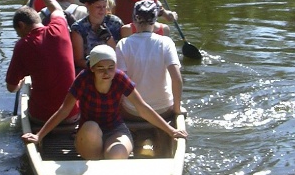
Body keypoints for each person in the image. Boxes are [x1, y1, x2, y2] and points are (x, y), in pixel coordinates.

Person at [21, 45, 187, 161]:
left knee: (116, 157)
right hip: (89, 132)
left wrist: (171, 131)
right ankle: (95, 164)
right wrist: (38, 136)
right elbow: (64, 111)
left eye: (111, 67)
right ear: (92, 68)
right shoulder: (83, 79)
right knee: (92, 127)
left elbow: (142, 108)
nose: (107, 73)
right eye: (101, 68)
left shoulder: (120, 78)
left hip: (115, 129)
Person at [6, 0, 78, 124]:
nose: (19, 35)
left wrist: (21, 83)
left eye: (18, 31)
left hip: (41, 118)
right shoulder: (59, 28)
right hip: (72, 115)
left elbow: (11, 87)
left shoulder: (22, 45)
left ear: (21, 25)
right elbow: (57, 9)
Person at [116, 0, 183, 119]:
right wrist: (177, 109)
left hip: (133, 110)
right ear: (155, 20)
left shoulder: (123, 44)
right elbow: (177, 79)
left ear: (134, 20)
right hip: (163, 109)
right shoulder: (166, 42)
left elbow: (121, 82)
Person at [71, 0, 123, 70]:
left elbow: (121, 54)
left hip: (113, 69)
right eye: (98, 7)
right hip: (89, 70)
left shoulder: (115, 23)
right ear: (87, 6)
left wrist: (108, 38)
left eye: (104, 6)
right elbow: (79, 60)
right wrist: (97, 68)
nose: (102, 10)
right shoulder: (78, 28)